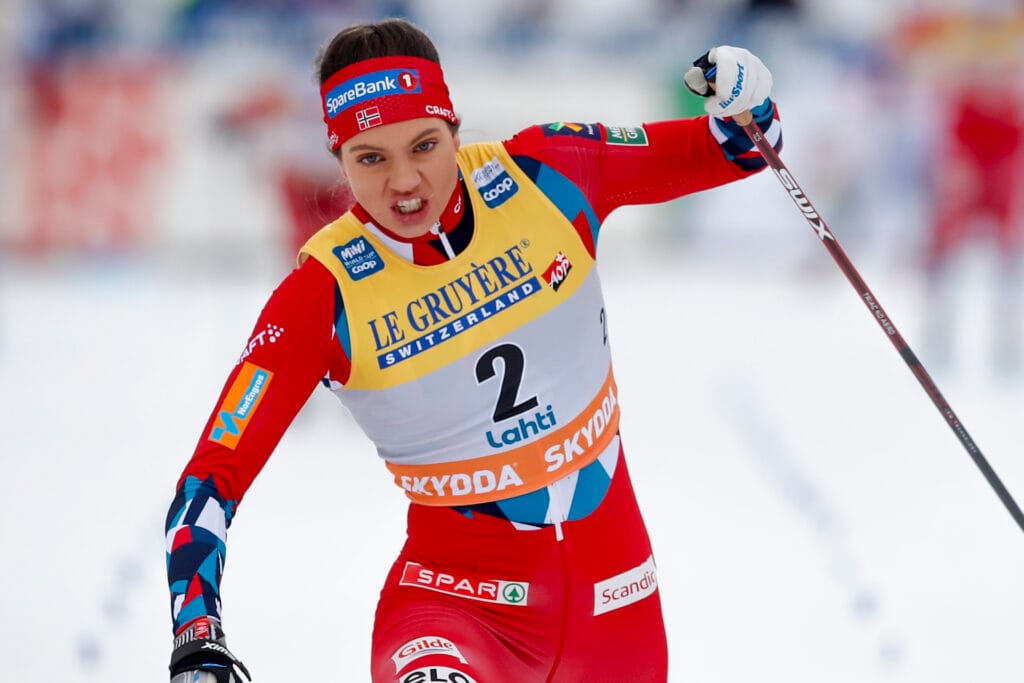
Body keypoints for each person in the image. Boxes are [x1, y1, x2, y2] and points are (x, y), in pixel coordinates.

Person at [165, 18, 781, 683]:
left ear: (455, 128)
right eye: (370, 157)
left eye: (424, 145)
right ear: (337, 158)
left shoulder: (549, 176)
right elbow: (211, 478)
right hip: (452, 615)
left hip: (619, 603)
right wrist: (198, 638)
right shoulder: (322, 294)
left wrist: (751, 99)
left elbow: (744, 148)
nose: (404, 181)